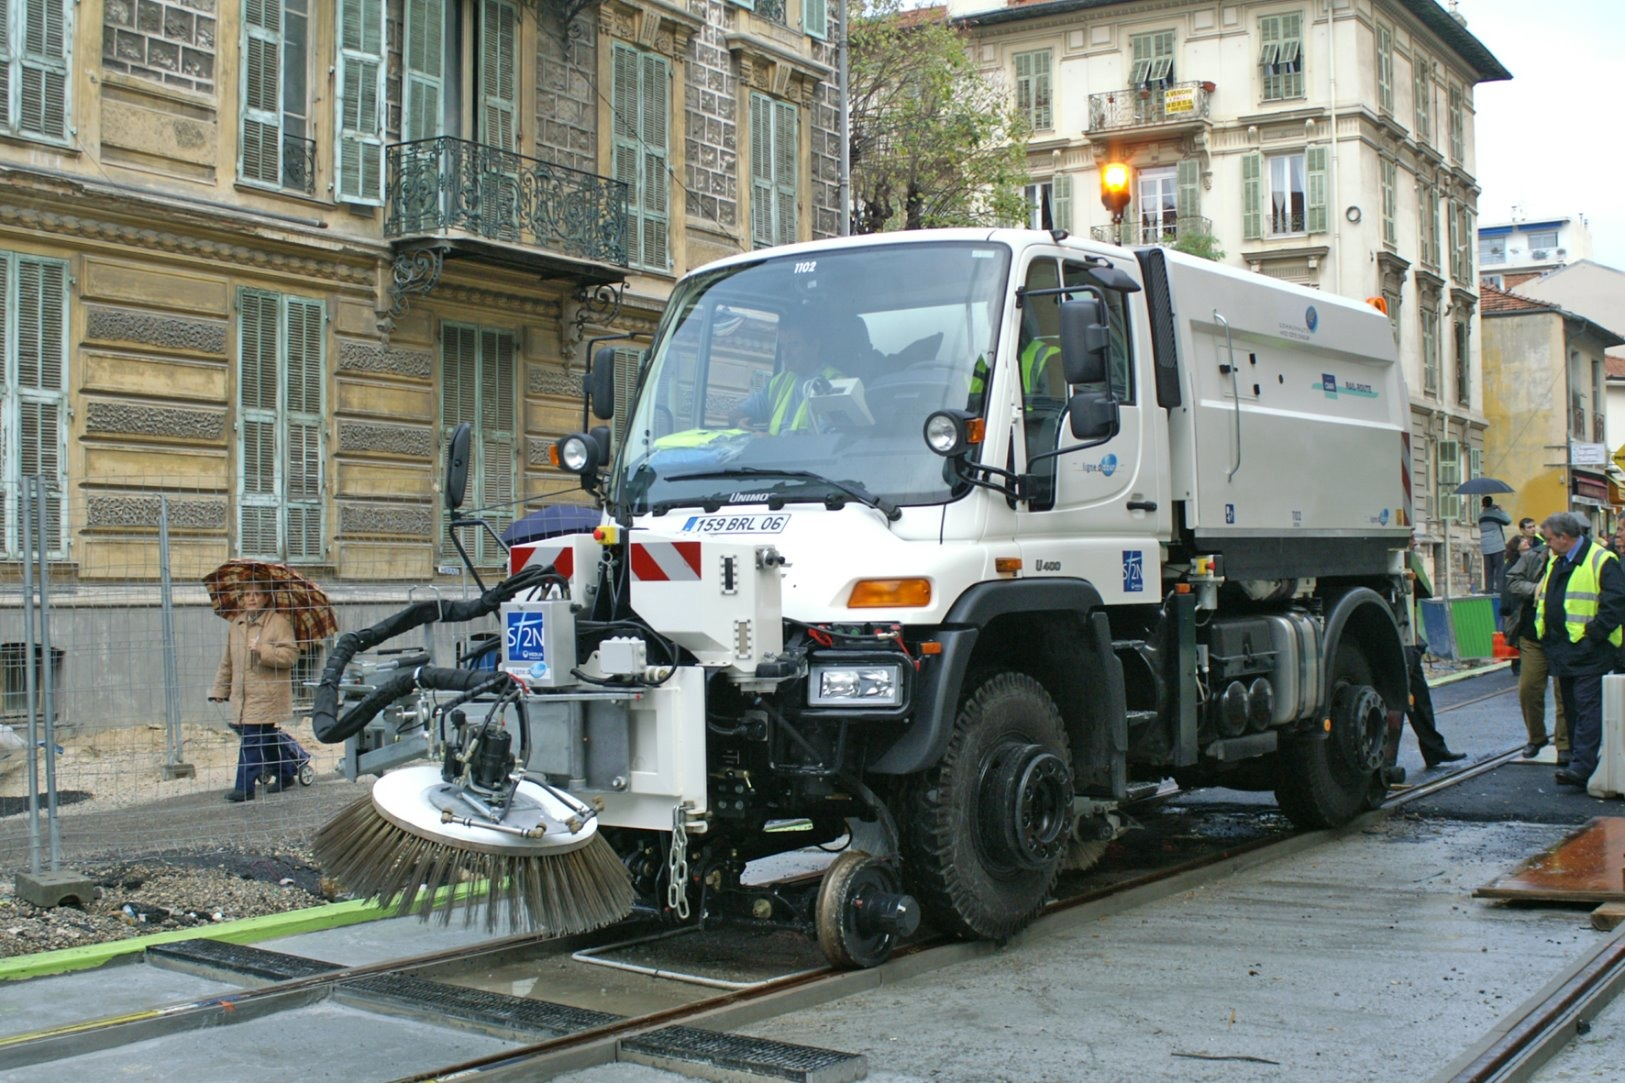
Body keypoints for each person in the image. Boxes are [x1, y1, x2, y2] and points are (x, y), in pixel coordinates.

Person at [1535, 511, 1625, 789]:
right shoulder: (1558, 559)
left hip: (1590, 650)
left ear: (1564, 537)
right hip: (1564, 648)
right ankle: (1579, 760)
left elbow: (1615, 604)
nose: (1546, 544)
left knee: (1587, 707)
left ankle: (1581, 766)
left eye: (1550, 539)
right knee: (1573, 708)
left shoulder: (1600, 559)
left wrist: (1592, 637)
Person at [209, 585, 303, 802]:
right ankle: (286, 774)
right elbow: (227, 661)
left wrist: (262, 649)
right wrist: (220, 689)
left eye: (257, 594)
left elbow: (290, 656)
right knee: (265, 738)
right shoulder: (237, 624)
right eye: (247, 594)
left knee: (252, 738)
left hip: (267, 693)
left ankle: (244, 788)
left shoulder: (278, 623)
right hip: (243, 693)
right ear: (241, 599)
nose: (251, 598)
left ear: (266, 598)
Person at [1503, 528, 1567, 762]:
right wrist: (1534, 590)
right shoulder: (1534, 557)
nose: (1548, 543)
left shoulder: (1578, 560)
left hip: (1563, 638)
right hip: (1532, 635)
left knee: (1564, 693)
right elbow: (1512, 581)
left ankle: (1564, 744)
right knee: (1529, 688)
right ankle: (1536, 737)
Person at [1403, 536, 1466, 769]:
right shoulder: (1404, 559)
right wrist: (1410, 556)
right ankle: (1428, 751)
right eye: (1410, 539)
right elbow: (1426, 590)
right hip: (1404, 639)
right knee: (1410, 698)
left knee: (1417, 698)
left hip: (1406, 637)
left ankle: (1434, 749)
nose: (1416, 542)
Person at [731, 317, 847, 435]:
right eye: (783, 346)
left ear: (814, 346)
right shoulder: (779, 383)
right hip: (772, 452)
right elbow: (739, 412)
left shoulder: (835, 385)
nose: (786, 354)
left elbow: (827, 444)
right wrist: (739, 421)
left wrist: (770, 443)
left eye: (794, 345)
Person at [1478, 496, 1512, 594]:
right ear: (1491, 503)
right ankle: (1500, 590)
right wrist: (1501, 510)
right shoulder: (1495, 514)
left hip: (1485, 546)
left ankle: (1489, 589)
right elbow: (1508, 521)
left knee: (1488, 570)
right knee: (1500, 569)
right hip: (1497, 545)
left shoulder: (1481, 516)